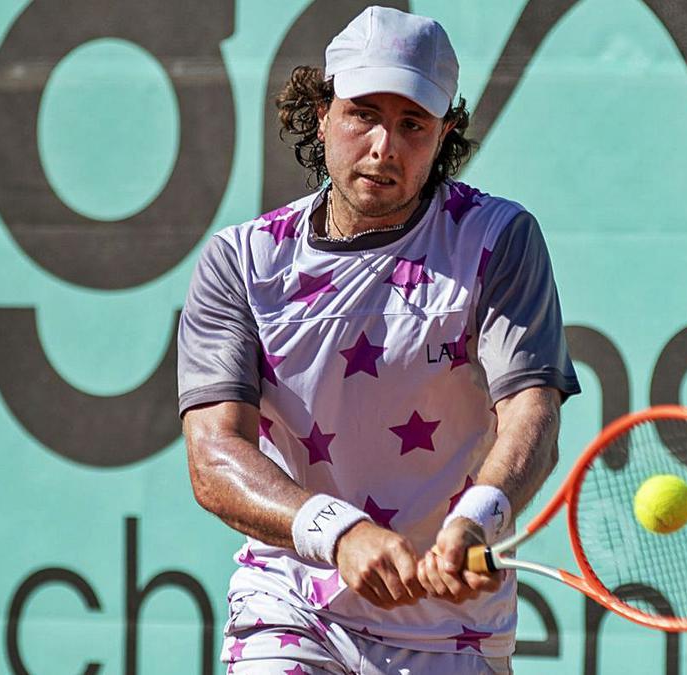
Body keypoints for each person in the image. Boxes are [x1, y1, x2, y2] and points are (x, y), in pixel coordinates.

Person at [177, 6, 579, 674]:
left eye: (412, 124)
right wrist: (338, 533)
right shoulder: (241, 263)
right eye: (363, 113)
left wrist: (479, 516)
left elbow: (532, 410)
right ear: (323, 111)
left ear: (444, 133)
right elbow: (215, 453)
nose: (384, 146)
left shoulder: (499, 241)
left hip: (453, 633)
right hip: (292, 603)